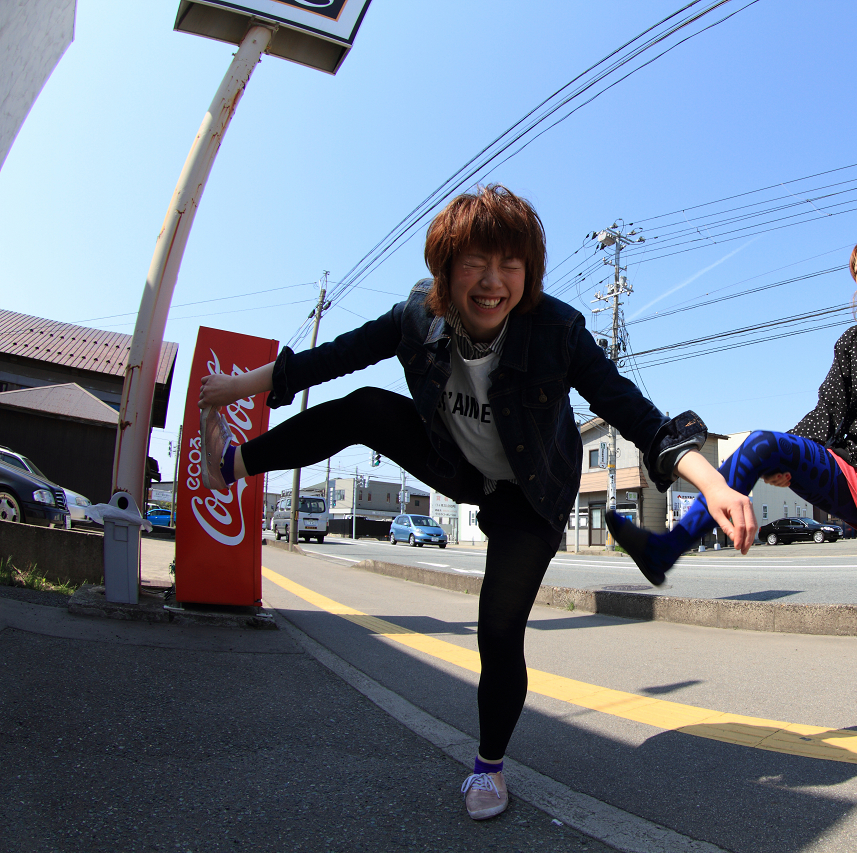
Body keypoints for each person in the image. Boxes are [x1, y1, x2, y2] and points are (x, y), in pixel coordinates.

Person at [196, 185, 757, 820]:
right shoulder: (416, 317)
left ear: (529, 273)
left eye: (510, 266)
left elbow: (633, 411)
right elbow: (332, 359)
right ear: (445, 271)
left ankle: (488, 767)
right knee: (366, 407)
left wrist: (710, 482)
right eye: (475, 264)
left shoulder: (557, 331)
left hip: (532, 494)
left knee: (498, 627)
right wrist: (235, 387)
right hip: (457, 465)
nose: (493, 284)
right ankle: (230, 466)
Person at [606, 232, 857, 780]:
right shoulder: (854, 343)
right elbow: (827, 413)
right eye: (856, 270)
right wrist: (789, 458)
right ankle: (668, 548)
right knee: (762, 445)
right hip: (855, 478)